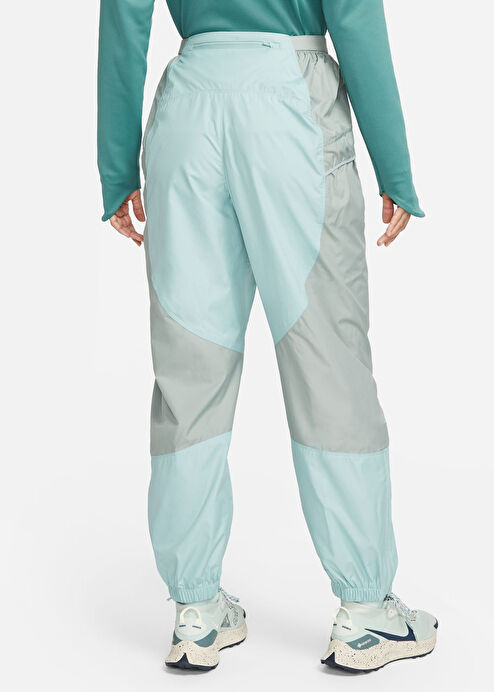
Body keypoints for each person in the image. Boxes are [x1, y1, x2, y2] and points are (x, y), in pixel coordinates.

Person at [97, 0, 437, 673]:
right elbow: (354, 18)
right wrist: (394, 167)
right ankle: (366, 613)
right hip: (290, 104)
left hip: (190, 104)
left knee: (190, 367)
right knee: (327, 359)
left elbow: (124, 17)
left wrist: (116, 170)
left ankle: (196, 611)